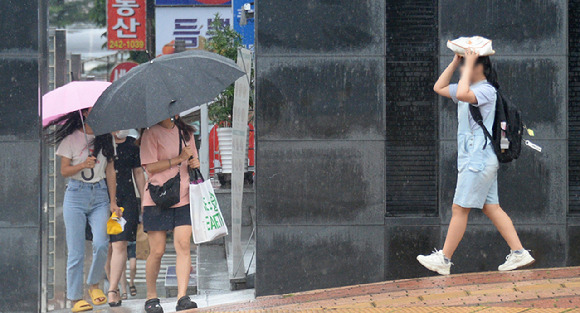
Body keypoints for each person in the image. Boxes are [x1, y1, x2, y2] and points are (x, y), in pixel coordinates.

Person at [416, 49, 535, 275]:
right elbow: (439, 87)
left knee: (459, 208)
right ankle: (519, 253)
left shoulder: (487, 91)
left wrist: (469, 64)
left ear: (479, 66)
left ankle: (444, 258)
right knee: (492, 208)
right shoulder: (471, 87)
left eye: (467, 65)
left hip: (478, 160)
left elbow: (461, 94)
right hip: (478, 159)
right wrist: (454, 63)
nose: (463, 70)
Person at [44, 110, 121, 313]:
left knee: (102, 243)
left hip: (100, 194)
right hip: (76, 194)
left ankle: (94, 284)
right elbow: (64, 171)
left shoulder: (106, 138)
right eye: (90, 110)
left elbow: (110, 171)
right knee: (76, 251)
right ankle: (75, 298)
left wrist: (113, 201)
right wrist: (82, 165)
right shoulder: (71, 138)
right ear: (84, 114)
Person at [139, 116, 200, 313]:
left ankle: (182, 297)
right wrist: (178, 159)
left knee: (183, 245)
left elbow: (194, 161)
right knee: (157, 250)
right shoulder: (150, 133)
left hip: (183, 196)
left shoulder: (186, 132)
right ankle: (151, 297)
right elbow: (149, 167)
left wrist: (193, 162)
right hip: (158, 197)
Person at [105, 130, 145, 306]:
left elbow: (138, 173)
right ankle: (115, 287)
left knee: (120, 243)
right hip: (103, 198)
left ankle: (112, 290)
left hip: (126, 199)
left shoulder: (132, 144)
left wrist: (144, 199)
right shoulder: (102, 142)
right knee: (106, 248)